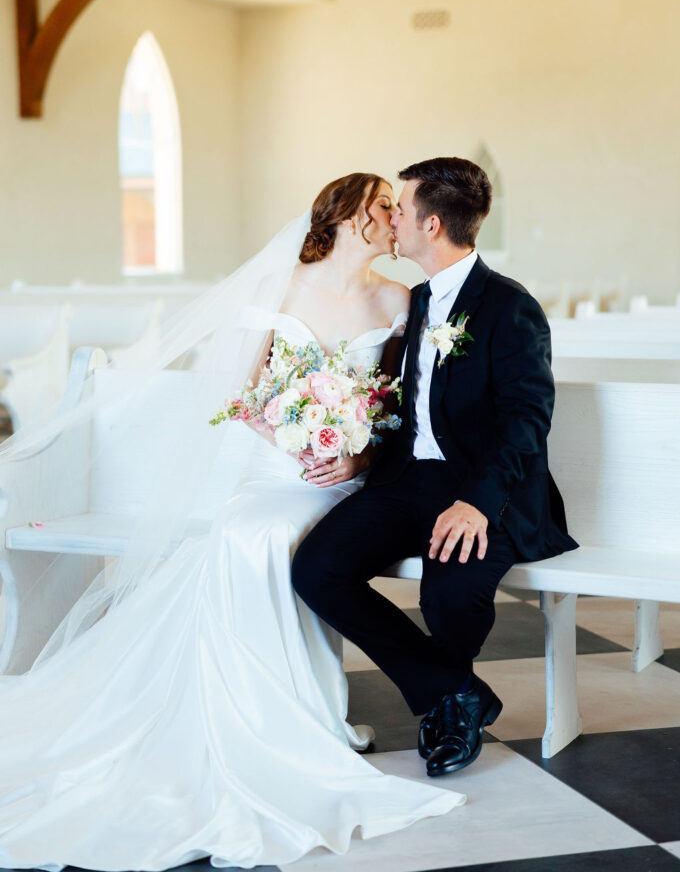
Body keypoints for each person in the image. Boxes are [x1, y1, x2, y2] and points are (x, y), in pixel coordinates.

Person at [0, 173, 465, 872]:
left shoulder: (396, 298)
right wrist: (299, 440)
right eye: (381, 207)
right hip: (276, 469)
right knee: (252, 532)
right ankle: (265, 719)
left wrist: (355, 453)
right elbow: (242, 397)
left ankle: (306, 716)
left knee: (287, 541)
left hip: (344, 479)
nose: (394, 216)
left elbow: (395, 403)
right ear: (344, 216)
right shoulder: (279, 289)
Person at [293, 156, 579, 778]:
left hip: (488, 490)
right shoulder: (416, 301)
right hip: (407, 482)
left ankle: (445, 705)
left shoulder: (508, 307)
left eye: (398, 207)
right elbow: (400, 405)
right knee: (317, 569)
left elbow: (528, 418)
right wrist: (360, 456)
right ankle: (456, 694)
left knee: (449, 592)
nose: (388, 217)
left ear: (430, 225)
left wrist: (477, 502)